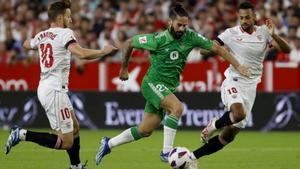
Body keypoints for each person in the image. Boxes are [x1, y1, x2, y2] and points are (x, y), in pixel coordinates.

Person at [95, 3, 250, 168]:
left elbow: (218, 49)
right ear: (170, 22)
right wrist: (124, 68)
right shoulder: (157, 39)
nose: (183, 28)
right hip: (152, 83)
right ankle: (166, 152)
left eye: (185, 25)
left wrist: (238, 65)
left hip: (166, 88)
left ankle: (108, 143)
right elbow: (128, 43)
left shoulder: (191, 37)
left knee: (145, 130)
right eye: (179, 25)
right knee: (177, 108)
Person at [4, 1, 117, 169]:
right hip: (54, 91)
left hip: (49, 88)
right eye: (68, 16)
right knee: (66, 142)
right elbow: (81, 54)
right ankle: (21, 134)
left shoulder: (42, 35)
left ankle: (76, 166)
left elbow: (27, 44)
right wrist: (103, 51)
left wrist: (31, 42)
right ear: (59, 18)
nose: (70, 20)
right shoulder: (65, 33)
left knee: (75, 127)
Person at [189, 1, 291, 165]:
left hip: (251, 87)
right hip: (233, 80)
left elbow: (286, 50)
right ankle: (213, 125)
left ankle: (191, 158)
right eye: (242, 17)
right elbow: (203, 51)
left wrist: (275, 35)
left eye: (248, 17)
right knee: (239, 113)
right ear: (238, 17)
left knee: (228, 136)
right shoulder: (230, 33)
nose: (244, 20)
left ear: (254, 17)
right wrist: (217, 48)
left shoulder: (264, 33)